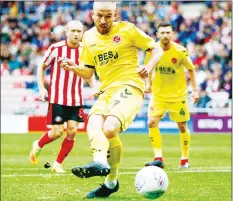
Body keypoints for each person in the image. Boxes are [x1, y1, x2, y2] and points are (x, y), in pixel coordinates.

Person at [59, 1, 164, 198]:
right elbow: (88, 70)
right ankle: (109, 179)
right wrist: (74, 67)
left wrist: (148, 68)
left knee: (109, 127)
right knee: (93, 122)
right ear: (92, 15)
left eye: (108, 16)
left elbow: (156, 48)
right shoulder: (88, 37)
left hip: (130, 85)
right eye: (99, 15)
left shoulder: (128, 30)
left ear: (115, 15)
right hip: (106, 90)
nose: (103, 20)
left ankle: (102, 165)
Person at [29, 20, 95, 173]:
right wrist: (41, 88)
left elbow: (88, 73)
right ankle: (38, 145)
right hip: (57, 98)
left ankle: (58, 164)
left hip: (76, 99)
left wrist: (94, 88)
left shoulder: (85, 50)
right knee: (57, 132)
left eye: (79, 31)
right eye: (73, 31)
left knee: (72, 131)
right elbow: (41, 67)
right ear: (66, 31)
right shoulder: (56, 48)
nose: (76, 34)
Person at [144, 22, 199, 168]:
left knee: (182, 126)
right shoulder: (152, 50)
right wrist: (147, 84)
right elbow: (148, 68)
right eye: (162, 32)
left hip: (178, 96)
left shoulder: (180, 51)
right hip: (158, 95)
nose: (165, 35)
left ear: (172, 34)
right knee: (151, 122)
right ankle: (158, 158)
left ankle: (184, 159)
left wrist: (195, 90)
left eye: (168, 32)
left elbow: (191, 69)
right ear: (157, 34)